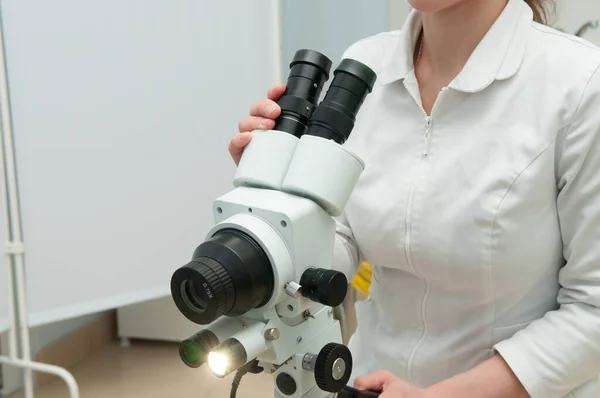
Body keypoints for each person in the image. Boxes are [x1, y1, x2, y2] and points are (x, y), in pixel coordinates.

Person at [230, 0, 600, 396]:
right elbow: (339, 244)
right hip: (363, 382)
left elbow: (592, 311)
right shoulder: (367, 64)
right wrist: (276, 204)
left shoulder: (579, 84)